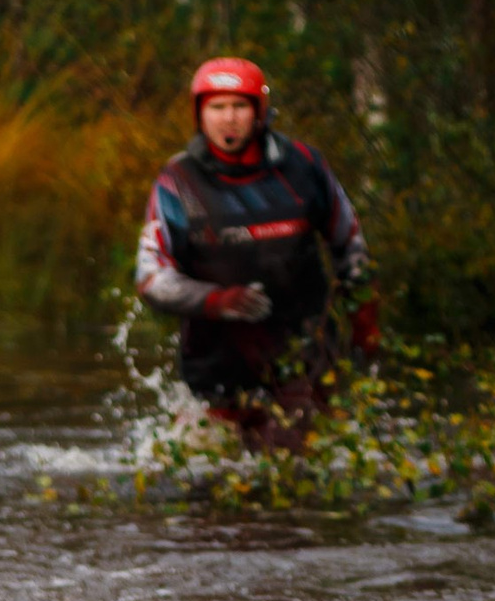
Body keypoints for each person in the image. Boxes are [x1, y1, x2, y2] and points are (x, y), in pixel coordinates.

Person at [134, 57, 377, 449]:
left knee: (295, 459)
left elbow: (349, 245)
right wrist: (216, 300)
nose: (228, 119)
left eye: (239, 106)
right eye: (216, 107)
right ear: (199, 114)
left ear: (260, 111)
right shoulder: (177, 181)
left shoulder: (305, 166)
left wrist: (365, 319)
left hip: (303, 351)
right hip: (217, 360)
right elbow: (151, 278)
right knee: (208, 477)